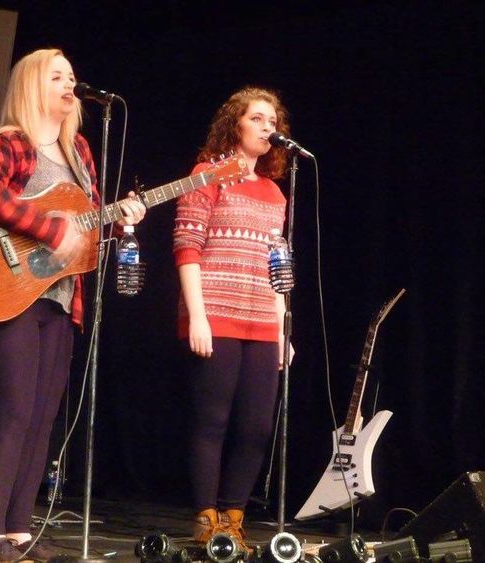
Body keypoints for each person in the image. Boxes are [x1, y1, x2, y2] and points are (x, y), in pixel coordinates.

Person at [0, 48, 146, 562]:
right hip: (9, 293)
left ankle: (18, 532)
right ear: (32, 86)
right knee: (14, 413)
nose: (70, 85)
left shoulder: (80, 151)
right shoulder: (12, 144)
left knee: (43, 418)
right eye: (58, 77)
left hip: (61, 298)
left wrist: (120, 217)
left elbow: (82, 227)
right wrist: (46, 228)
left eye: (73, 77)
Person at [172, 86, 294, 549]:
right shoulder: (206, 175)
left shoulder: (276, 194)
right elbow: (187, 247)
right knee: (212, 421)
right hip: (216, 314)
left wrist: (284, 327)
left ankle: (233, 519)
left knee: (258, 426)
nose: (269, 128)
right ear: (235, 126)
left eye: (272, 121)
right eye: (258, 119)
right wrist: (197, 317)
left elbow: (278, 266)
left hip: (262, 319)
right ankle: (206, 520)